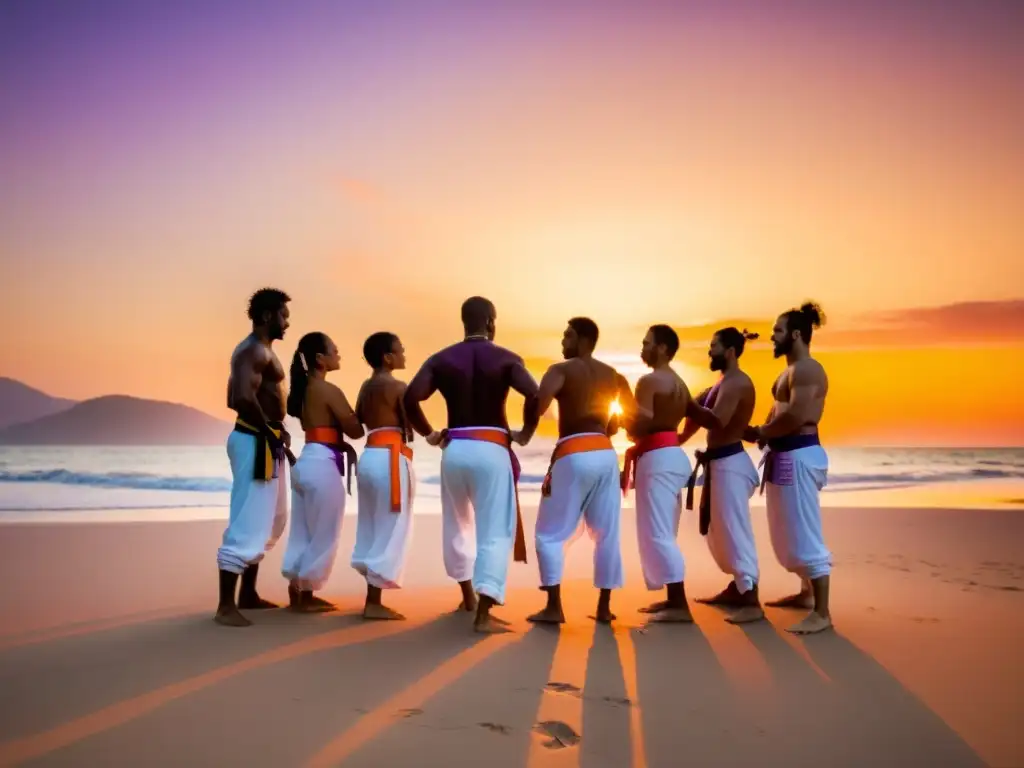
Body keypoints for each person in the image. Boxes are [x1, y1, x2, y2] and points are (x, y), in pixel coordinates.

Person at [403, 297, 539, 634]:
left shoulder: (441, 358)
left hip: (456, 448)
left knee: (457, 525)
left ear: (464, 322)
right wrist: (525, 433)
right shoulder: (507, 358)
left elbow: (410, 397)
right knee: (494, 530)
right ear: (492, 322)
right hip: (491, 448)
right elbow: (534, 395)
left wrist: (431, 434)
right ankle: (484, 612)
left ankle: (467, 598)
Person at [518, 317, 638, 625]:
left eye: (567, 336)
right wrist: (609, 427)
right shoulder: (614, 376)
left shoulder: (560, 371)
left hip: (573, 453)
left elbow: (539, 406)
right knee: (607, 532)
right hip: (605, 454)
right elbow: (629, 418)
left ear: (584, 340)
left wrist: (524, 433)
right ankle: (603, 607)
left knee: (549, 533)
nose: (562, 342)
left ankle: (554, 607)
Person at [743, 301, 832, 635]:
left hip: (799, 455)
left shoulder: (808, 369)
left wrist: (762, 432)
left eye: (777, 331)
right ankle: (807, 593)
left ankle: (822, 612)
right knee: (785, 533)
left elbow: (796, 416)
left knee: (804, 532)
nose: (772, 336)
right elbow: (779, 409)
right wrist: (762, 431)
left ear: (796, 334)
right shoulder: (789, 371)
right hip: (783, 456)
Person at [620, 324, 719, 623]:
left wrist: (622, 421)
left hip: (658, 460)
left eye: (647, 342)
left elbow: (644, 422)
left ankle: (678, 604)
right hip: (674, 458)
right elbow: (703, 416)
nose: (642, 347)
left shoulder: (649, 382)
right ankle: (671, 598)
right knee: (665, 530)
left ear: (663, 348)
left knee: (658, 532)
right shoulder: (679, 383)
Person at [215, 287, 294, 627]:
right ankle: (225, 606)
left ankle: (248, 593)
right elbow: (240, 397)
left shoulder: (261, 350)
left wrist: (277, 429)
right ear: (266, 316)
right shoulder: (250, 351)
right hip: (254, 439)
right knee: (249, 519)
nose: (287, 322)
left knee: (273, 517)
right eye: (283, 315)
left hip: (266, 438)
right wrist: (268, 430)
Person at [678, 327, 764, 624]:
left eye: (713, 346)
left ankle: (751, 598)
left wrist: (689, 404)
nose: (709, 351)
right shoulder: (721, 382)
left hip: (731, 465)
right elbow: (698, 411)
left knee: (734, 531)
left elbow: (718, 420)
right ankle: (738, 588)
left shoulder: (738, 382)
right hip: (719, 465)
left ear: (729, 351)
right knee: (719, 533)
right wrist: (677, 440)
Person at [280, 331, 363, 613]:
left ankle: (296, 588)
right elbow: (355, 430)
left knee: (302, 531)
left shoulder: (303, 392)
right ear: (320, 360)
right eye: (334, 351)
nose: (338, 355)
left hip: (305, 462)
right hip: (322, 465)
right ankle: (308, 593)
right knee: (326, 531)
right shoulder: (328, 390)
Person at [351, 331, 416, 620]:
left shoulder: (365, 387)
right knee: (391, 527)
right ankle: (373, 601)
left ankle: (372, 594)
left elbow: (358, 419)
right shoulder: (399, 386)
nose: (404, 354)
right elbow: (409, 424)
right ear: (388, 357)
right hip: (390, 457)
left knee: (371, 524)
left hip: (369, 457)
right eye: (400, 350)